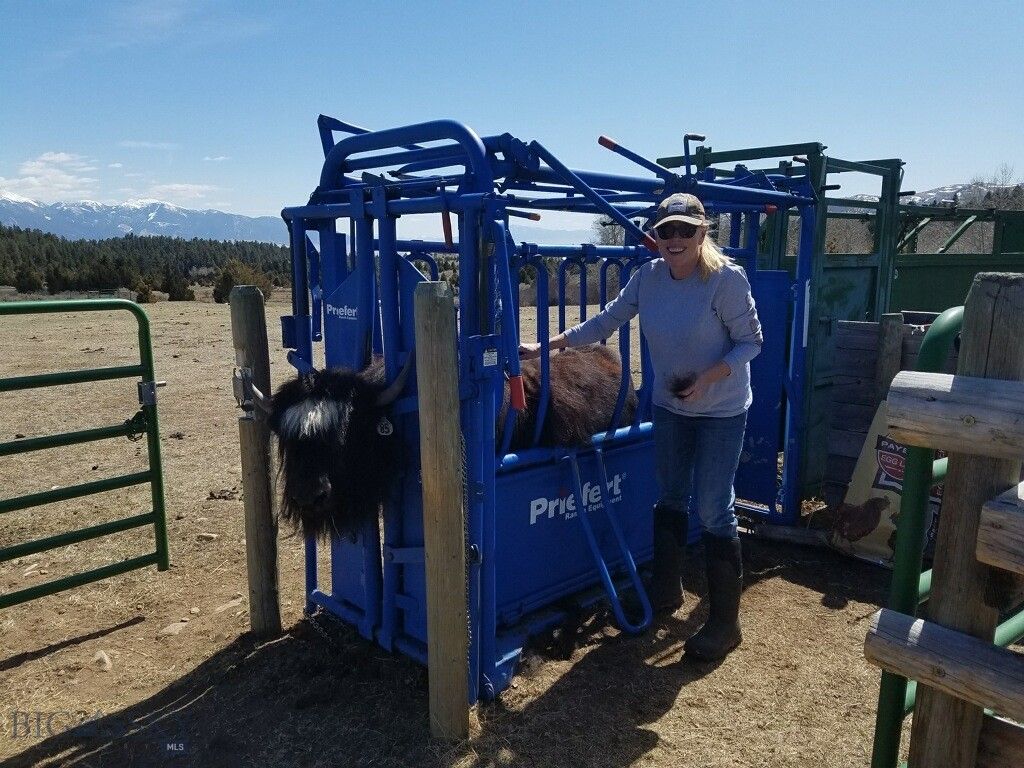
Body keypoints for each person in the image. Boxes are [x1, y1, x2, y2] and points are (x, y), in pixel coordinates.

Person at [519, 193, 762, 661]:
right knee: (669, 495)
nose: (674, 239)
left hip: (721, 410)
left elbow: (752, 341)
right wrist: (546, 348)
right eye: (665, 230)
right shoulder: (648, 278)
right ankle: (666, 592)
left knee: (713, 508)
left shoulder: (725, 281)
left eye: (684, 231)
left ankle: (725, 624)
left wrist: (708, 378)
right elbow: (607, 320)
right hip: (671, 406)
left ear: (702, 234)